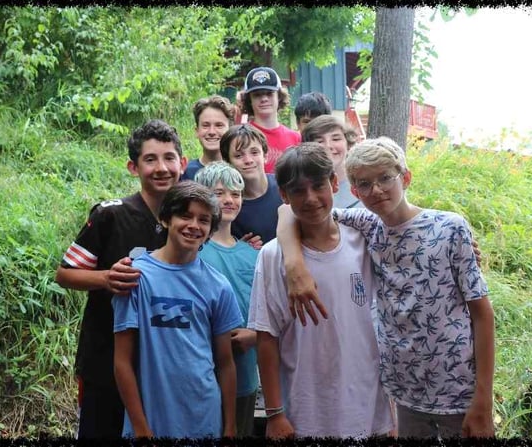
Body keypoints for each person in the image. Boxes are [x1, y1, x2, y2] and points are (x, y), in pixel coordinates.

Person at [277, 137, 495, 439]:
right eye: (364, 184)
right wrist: (293, 262)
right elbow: (288, 211)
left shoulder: (449, 228)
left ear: (405, 177)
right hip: (404, 393)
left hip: (460, 391)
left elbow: (483, 314)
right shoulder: (369, 227)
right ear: (354, 191)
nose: (376, 190)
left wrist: (483, 397)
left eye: (385, 178)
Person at [248, 143, 395, 439]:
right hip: (305, 409)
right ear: (284, 196)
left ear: (334, 183)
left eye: (318, 186)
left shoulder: (364, 241)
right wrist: (275, 413)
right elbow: (266, 336)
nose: (311, 198)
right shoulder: (273, 255)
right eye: (298, 191)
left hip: (368, 405)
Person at [55, 119, 187, 439]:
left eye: (169, 158)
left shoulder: (190, 221)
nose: (161, 168)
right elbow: (64, 273)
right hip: (105, 358)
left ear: (182, 163)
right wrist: (105, 278)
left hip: (164, 363)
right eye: (150, 159)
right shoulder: (110, 215)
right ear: (133, 167)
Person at [112, 181, 243, 439]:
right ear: (165, 219)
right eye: (185, 215)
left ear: (210, 230)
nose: (194, 225)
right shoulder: (134, 277)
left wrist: (230, 427)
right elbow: (122, 362)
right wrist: (140, 428)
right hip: (151, 421)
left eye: (203, 220)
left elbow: (225, 363)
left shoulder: (218, 285)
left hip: (205, 418)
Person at [193, 161, 260, 437]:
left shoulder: (253, 254)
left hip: (244, 376)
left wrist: (255, 335)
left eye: (236, 193)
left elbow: (268, 310)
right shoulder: (194, 250)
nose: (229, 200)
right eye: (219, 193)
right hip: (202, 375)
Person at [220, 124, 284, 244]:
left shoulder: (285, 185)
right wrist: (239, 248)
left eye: (254, 153)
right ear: (228, 162)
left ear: (265, 155)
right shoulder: (229, 205)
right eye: (239, 155)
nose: (248, 160)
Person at [241, 66, 301, 174]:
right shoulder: (240, 137)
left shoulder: (296, 138)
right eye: (257, 95)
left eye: (269, 93)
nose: (264, 99)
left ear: (279, 96)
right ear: (249, 100)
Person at [301, 114, 361, 209]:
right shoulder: (301, 188)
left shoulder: (364, 183)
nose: (328, 146)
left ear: (348, 143)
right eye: (319, 141)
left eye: (336, 139)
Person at [182, 95, 235, 181]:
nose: (212, 132)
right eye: (205, 125)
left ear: (230, 130)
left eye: (219, 125)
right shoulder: (185, 172)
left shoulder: (239, 170)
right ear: (197, 131)